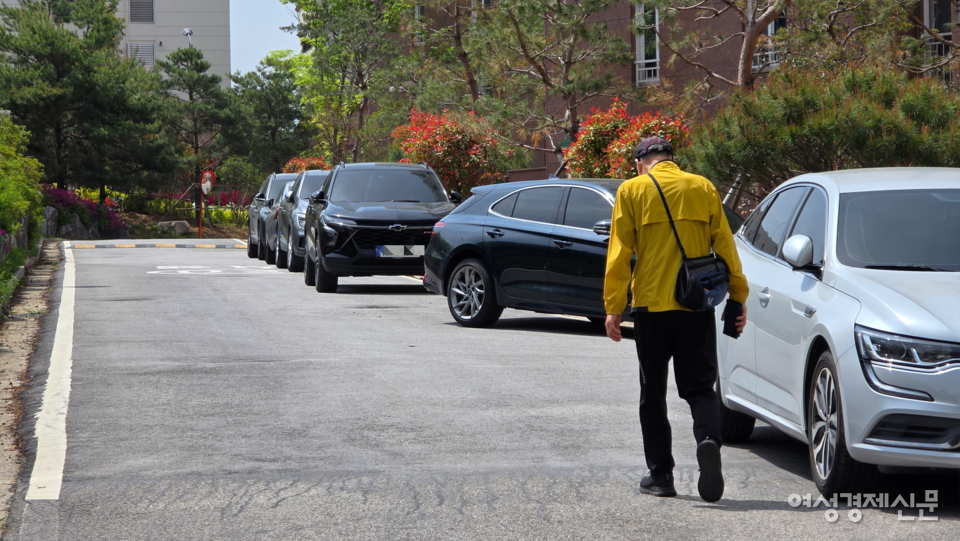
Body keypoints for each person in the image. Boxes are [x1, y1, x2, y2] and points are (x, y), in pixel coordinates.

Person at [603, 136, 748, 503]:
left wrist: (613, 307)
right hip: (696, 304)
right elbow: (725, 246)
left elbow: (619, 254)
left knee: (652, 392)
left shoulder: (632, 190)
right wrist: (738, 296)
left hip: (651, 308)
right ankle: (708, 440)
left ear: (641, 163)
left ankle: (661, 475)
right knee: (700, 387)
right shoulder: (702, 187)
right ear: (671, 158)